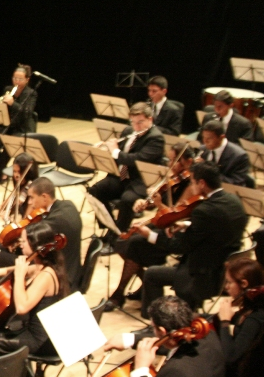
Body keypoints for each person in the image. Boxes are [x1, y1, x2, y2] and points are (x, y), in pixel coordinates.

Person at [138, 162, 248, 316]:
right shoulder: (234, 200)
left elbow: (180, 247)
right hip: (224, 268)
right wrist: (188, 224)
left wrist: (149, 235)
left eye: (192, 182)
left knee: (151, 274)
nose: (191, 185)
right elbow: (217, 226)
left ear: (202, 183)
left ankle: (154, 323)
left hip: (203, 275)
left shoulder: (203, 211)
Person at [0, 222, 68, 377]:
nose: (20, 244)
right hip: (32, 331)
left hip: (39, 340)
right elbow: (22, 268)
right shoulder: (41, 266)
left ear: (36, 244)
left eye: (24, 241)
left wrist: (19, 277)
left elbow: (22, 307)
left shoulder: (47, 275)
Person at [102, 296, 225, 377]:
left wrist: (140, 370)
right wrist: (131, 339)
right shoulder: (208, 336)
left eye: (153, 328)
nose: (153, 333)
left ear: (162, 331)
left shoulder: (179, 373)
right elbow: (173, 340)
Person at [107, 144, 197, 311]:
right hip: (162, 224)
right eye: (169, 159)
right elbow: (154, 205)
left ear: (188, 162)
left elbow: (174, 216)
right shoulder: (172, 178)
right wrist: (144, 203)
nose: (170, 164)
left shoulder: (192, 186)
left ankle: (118, 294)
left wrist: (159, 203)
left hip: (174, 233)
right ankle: (145, 285)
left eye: (174, 161)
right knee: (121, 242)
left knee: (133, 244)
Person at [88, 102, 164, 248]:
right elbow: (118, 156)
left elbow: (138, 160)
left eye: (140, 122)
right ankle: (111, 228)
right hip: (121, 177)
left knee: (127, 199)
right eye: (133, 122)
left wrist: (115, 151)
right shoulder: (129, 131)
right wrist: (104, 151)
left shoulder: (156, 138)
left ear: (150, 119)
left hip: (139, 181)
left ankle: (118, 238)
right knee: (94, 191)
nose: (136, 127)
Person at [0, 154, 40, 273]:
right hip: (16, 235)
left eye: (19, 172)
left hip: (26, 240)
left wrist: (13, 230)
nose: (16, 175)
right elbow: (4, 204)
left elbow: (26, 223)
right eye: (14, 171)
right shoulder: (19, 187)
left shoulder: (32, 191)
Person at [216, 258, 264, 377]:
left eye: (229, 282)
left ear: (244, 284)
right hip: (246, 370)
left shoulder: (255, 319)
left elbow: (230, 357)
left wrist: (225, 322)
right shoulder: (252, 304)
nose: (226, 287)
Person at [0, 64, 38, 184]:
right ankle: (3, 171)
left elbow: (27, 113)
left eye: (20, 79)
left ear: (27, 80)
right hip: (8, 125)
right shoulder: (8, 89)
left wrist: (13, 103)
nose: (17, 81)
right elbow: (3, 111)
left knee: (8, 145)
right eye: (15, 78)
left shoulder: (31, 93)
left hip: (23, 127)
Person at [198, 120, 251, 187]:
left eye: (209, 138)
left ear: (221, 138)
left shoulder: (239, 156)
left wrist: (208, 172)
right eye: (204, 137)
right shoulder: (202, 149)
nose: (205, 141)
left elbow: (236, 183)